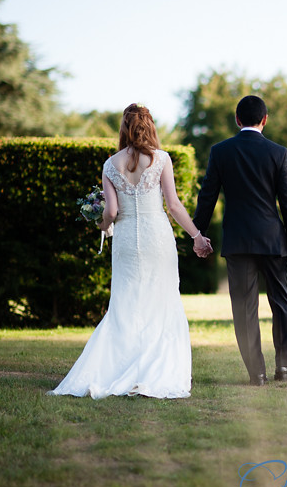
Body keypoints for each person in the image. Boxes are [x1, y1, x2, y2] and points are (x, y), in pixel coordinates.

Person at [48, 103, 213, 399]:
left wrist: (100, 222)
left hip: (125, 242)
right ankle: (154, 370)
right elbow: (173, 206)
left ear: (124, 128)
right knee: (161, 300)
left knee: (125, 306)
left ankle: (115, 370)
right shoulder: (162, 159)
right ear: (149, 126)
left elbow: (110, 211)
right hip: (157, 239)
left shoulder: (110, 165)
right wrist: (197, 236)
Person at [192, 95, 287, 387]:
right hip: (272, 241)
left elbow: (207, 197)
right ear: (265, 119)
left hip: (238, 241)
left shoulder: (220, 151)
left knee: (244, 308)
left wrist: (198, 233)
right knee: (280, 302)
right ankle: (285, 367)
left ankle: (257, 374)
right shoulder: (278, 153)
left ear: (237, 120)